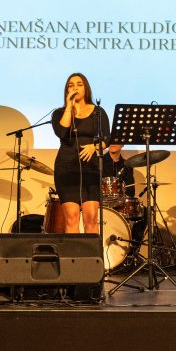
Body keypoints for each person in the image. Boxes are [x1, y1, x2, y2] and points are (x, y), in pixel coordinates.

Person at [51, 73, 110, 233]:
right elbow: (62, 132)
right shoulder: (59, 113)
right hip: (66, 169)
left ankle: (91, 251)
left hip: (90, 169)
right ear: (66, 90)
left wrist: (94, 147)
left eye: (79, 84)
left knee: (91, 219)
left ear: (86, 88)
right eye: (71, 85)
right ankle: (74, 251)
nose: (75, 88)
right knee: (71, 219)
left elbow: (107, 138)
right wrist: (69, 106)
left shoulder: (98, 112)